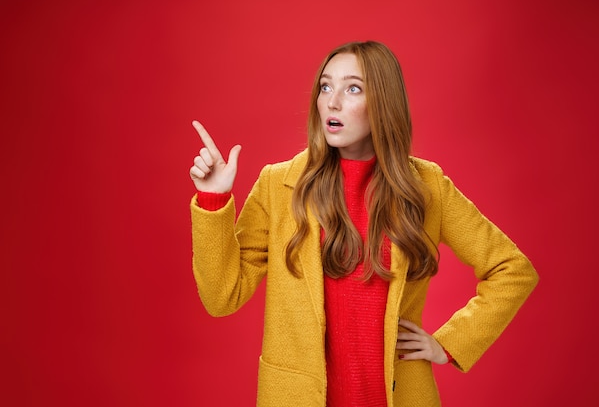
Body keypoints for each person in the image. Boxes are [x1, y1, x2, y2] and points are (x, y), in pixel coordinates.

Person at [189, 41, 538, 407]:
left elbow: (513, 270)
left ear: (383, 103)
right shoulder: (278, 186)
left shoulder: (426, 186)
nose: (332, 102)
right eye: (325, 87)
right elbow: (221, 297)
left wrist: (449, 344)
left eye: (352, 88)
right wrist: (213, 200)